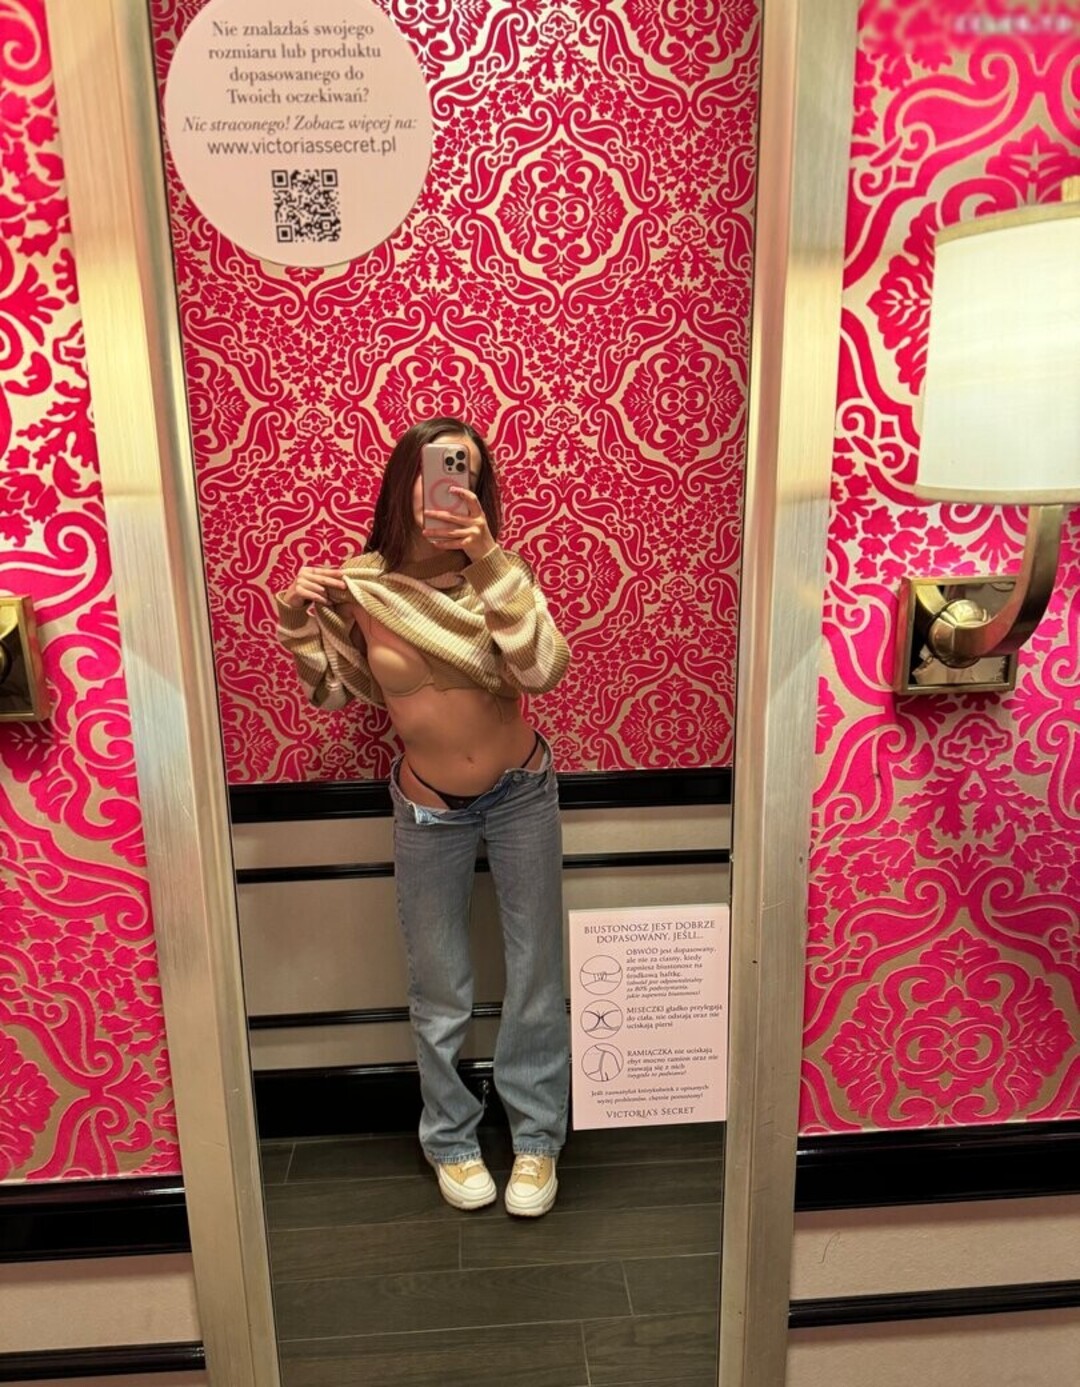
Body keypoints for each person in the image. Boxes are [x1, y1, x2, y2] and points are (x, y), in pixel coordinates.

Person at [275, 417, 571, 1217]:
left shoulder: (501, 575)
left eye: (466, 470)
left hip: (521, 791)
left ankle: (537, 1137)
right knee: (439, 984)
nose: (450, 483)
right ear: (406, 478)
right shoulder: (366, 586)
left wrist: (488, 557)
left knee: (536, 975)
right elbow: (333, 690)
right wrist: (298, 616)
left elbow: (542, 668)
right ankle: (451, 1138)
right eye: (438, 468)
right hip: (428, 807)